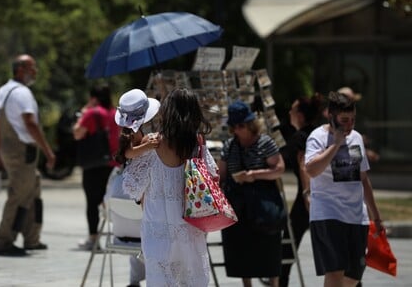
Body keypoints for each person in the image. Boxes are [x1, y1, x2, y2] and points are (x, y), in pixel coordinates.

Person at [122, 88, 215, 286]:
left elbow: (131, 187)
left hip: (157, 227)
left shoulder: (152, 143)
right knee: (192, 278)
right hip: (190, 226)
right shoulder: (198, 144)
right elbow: (212, 177)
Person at [305, 91, 384, 287]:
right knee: (335, 270)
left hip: (356, 216)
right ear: (330, 117)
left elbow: (363, 179)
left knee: (354, 275)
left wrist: (376, 216)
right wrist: (336, 145)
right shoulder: (317, 138)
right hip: (328, 213)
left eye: (353, 120)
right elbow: (312, 170)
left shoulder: (356, 138)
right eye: (344, 120)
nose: (349, 125)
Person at [0, 54, 55, 256]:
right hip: (22, 151)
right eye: (32, 67)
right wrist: (48, 151)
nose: (35, 71)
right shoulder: (22, 93)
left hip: (10, 149)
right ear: (20, 70)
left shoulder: (4, 90)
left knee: (34, 189)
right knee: (18, 195)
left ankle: (32, 238)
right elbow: (30, 123)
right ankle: (4, 241)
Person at [218, 100, 285, 287]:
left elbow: (279, 169)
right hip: (238, 206)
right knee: (240, 250)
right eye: (234, 126)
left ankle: (273, 283)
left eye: (241, 125)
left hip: (263, 205)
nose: (238, 130)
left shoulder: (265, 142)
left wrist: (254, 175)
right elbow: (221, 175)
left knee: (269, 249)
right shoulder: (229, 146)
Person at [112, 88, 161, 287]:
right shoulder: (128, 133)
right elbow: (129, 153)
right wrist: (148, 146)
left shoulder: (134, 131)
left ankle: (137, 280)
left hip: (130, 210)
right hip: (137, 194)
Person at [280, 93, 323, 287]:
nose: (290, 112)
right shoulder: (320, 133)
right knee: (332, 246)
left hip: (306, 199)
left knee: (287, 251)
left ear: (300, 116)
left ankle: (281, 283)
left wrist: (307, 194)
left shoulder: (299, 138)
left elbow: (297, 163)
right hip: (323, 198)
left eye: (293, 109)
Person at [73, 84, 120, 250]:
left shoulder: (92, 113)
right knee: (109, 201)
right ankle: (119, 235)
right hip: (114, 164)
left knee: (92, 203)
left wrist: (85, 111)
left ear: (93, 97)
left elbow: (77, 133)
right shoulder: (116, 113)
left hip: (94, 164)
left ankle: (93, 239)